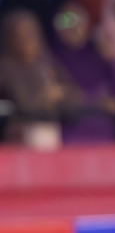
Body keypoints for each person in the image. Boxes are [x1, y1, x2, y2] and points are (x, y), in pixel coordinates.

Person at [51, 0, 115, 145]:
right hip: (71, 133)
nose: (70, 26)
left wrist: (111, 60)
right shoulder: (51, 55)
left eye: (75, 20)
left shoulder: (98, 53)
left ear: (86, 25)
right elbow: (62, 97)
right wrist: (96, 104)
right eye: (63, 21)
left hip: (103, 132)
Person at [0, 10, 74, 148]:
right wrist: (45, 96)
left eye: (30, 32)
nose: (26, 39)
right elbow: (23, 104)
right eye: (19, 35)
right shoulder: (6, 68)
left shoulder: (48, 62)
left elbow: (75, 96)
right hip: (19, 140)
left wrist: (60, 94)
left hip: (51, 135)